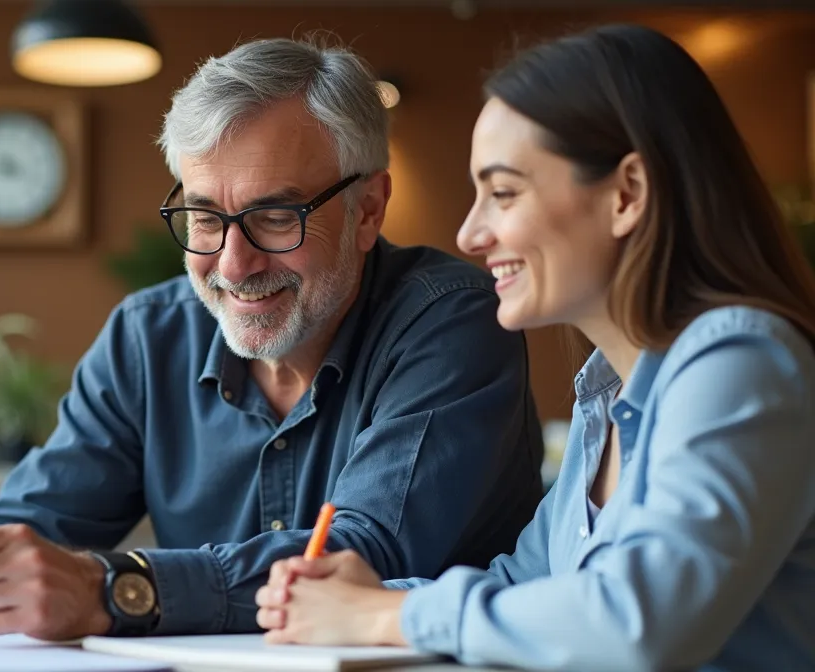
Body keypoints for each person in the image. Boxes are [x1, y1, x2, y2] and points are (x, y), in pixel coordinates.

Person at [0, 35, 546, 642]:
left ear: (367, 211)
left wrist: (119, 589)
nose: (232, 261)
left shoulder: (453, 317)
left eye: (275, 216)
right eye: (204, 217)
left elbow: (365, 557)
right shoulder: (149, 335)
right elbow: (28, 525)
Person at [254, 23, 815, 672]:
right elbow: (529, 590)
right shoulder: (603, 399)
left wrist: (386, 616)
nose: (470, 233)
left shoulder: (742, 362)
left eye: (503, 192)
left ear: (626, 194)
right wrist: (362, 598)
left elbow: (636, 622)